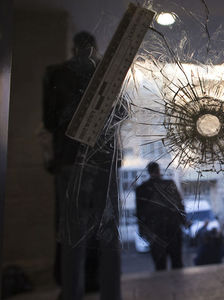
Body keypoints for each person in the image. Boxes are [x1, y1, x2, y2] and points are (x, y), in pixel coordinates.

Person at [43, 31, 121, 300]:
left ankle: (72, 293)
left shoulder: (55, 73)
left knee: (72, 234)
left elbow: (49, 121)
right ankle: (111, 294)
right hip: (104, 162)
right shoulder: (108, 74)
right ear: (95, 48)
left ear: (73, 47)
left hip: (69, 161)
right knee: (108, 233)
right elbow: (121, 113)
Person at [136, 162, 187, 271]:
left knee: (160, 265)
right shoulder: (169, 184)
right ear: (159, 170)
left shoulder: (142, 188)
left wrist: (142, 231)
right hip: (172, 228)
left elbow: (140, 212)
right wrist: (184, 221)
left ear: (149, 172)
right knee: (176, 262)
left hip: (155, 230)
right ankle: (177, 285)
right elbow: (179, 204)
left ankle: (163, 286)